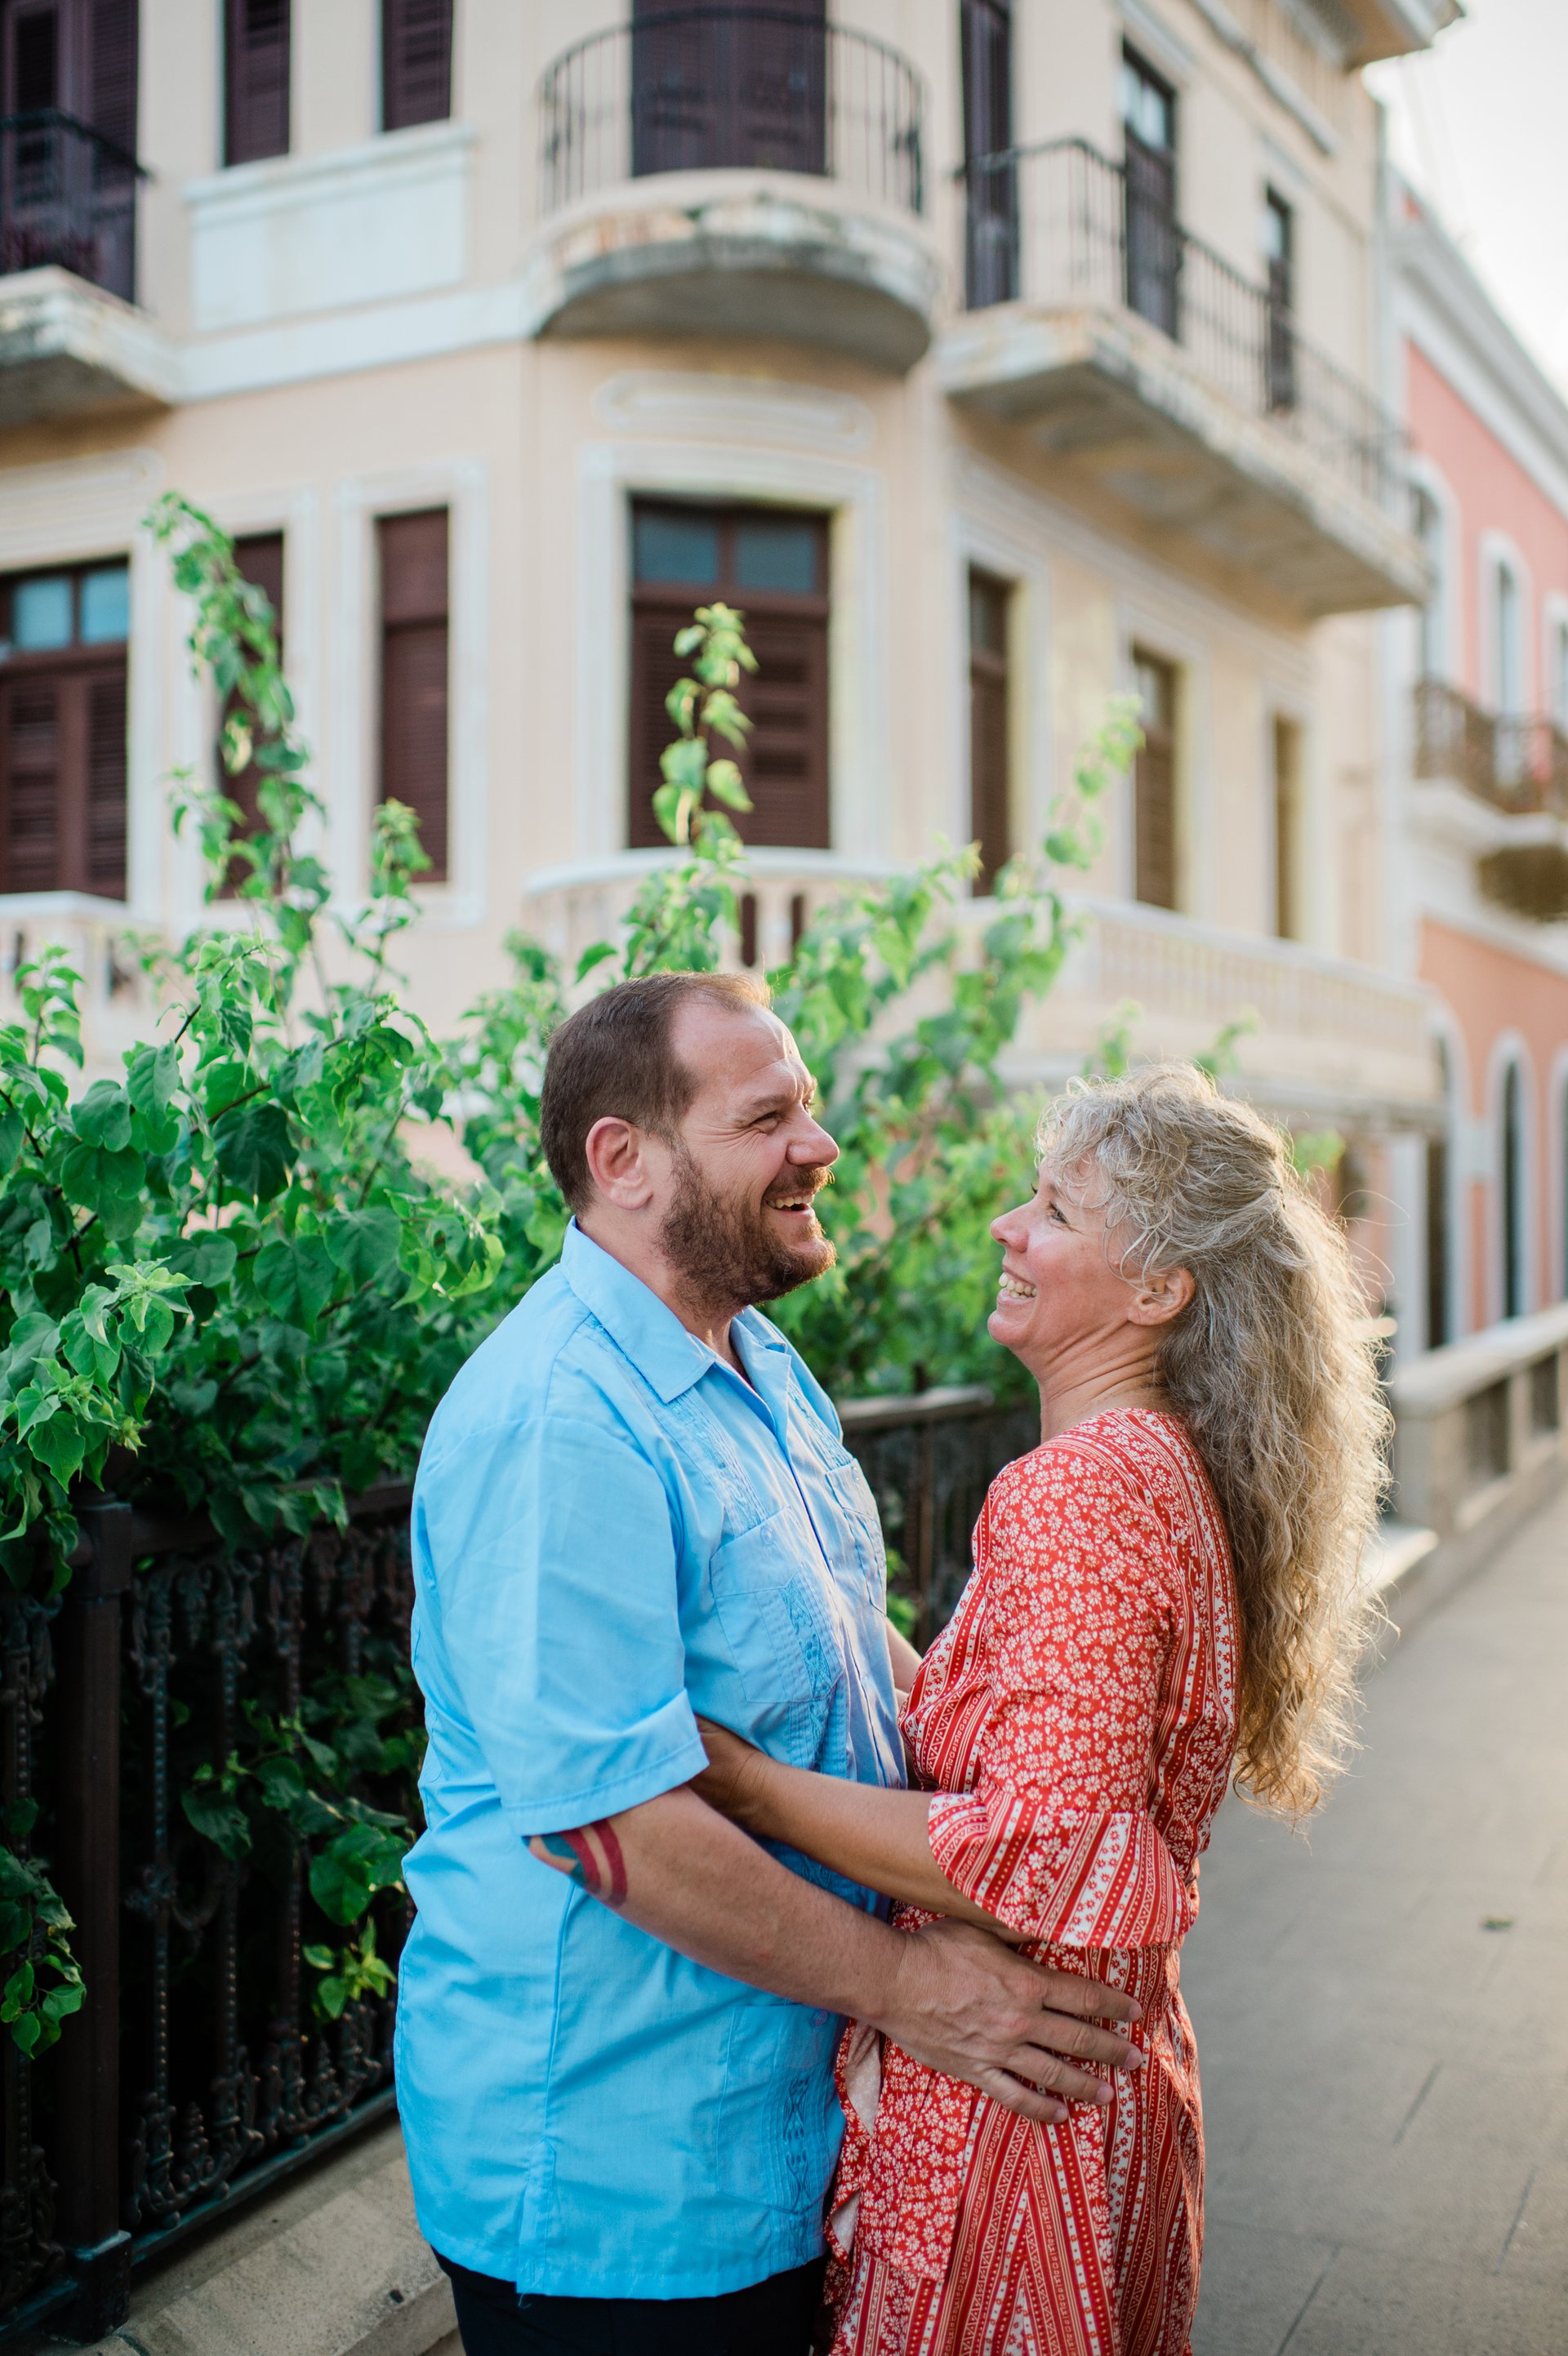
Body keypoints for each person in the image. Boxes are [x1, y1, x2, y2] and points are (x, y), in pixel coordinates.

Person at [394, 973, 1143, 2356]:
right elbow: (612, 1821)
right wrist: (922, 1989)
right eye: (769, 1117)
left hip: (779, 2133)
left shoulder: (761, 1361)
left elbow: (861, 1649)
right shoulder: (559, 1418)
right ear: (624, 1162)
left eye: (809, 1106)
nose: (821, 1144)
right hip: (621, 2179)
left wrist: (1035, 1807)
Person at [696, 1063, 1386, 2356]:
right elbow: (1016, 1729)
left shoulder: (1082, 1492)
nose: (1009, 1226)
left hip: (1014, 2131)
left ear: (1156, 1290)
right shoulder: (1157, 1465)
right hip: (1089, 2096)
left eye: (1057, 1210)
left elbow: (1044, 1844)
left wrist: (745, 1785)